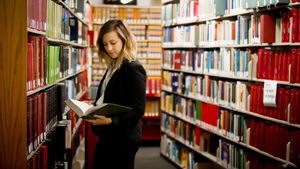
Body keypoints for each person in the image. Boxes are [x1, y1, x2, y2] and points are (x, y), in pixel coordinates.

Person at [85, 19, 146, 169]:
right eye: (105, 45)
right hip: (109, 135)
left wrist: (111, 121)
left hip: (123, 138)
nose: (109, 48)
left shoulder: (133, 68)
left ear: (124, 39)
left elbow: (138, 110)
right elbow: (113, 96)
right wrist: (94, 104)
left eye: (113, 43)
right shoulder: (114, 65)